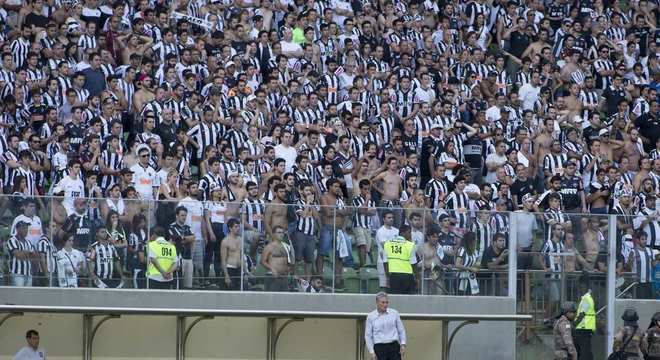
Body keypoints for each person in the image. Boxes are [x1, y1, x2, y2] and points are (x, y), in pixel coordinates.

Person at [365, 292, 407, 360]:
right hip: (379, 348)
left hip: (394, 347)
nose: (385, 304)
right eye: (383, 302)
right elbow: (368, 336)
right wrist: (372, 352)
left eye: (387, 302)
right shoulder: (371, 316)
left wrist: (403, 344)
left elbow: (401, 330)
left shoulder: (394, 313)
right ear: (377, 302)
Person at [383, 225, 417, 294]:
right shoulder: (410, 245)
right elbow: (413, 263)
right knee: (408, 299)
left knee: (395, 299)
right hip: (407, 276)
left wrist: (388, 277)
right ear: (402, 233)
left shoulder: (387, 244)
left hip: (394, 275)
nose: (410, 235)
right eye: (409, 232)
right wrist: (416, 277)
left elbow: (385, 262)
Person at [260, 225, 293, 292]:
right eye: (279, 232)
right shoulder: (269, 247)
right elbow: (262, 261)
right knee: (272, 299)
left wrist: (288, 269)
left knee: (284, 299)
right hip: (273, 276)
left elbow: (289, 261)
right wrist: (271, 269)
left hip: (284, 277)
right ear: (274, 234)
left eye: (282, 233)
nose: (281, 234)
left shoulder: (286, 246)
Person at [574, 272, 595, 360]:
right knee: (585, 351)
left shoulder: (586, 299)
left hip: (583, 329)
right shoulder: (587, 298)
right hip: (584, 329)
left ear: (585, 286)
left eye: (581, 287)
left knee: (584, 353)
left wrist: (573, 325)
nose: (580, 289)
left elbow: (582, 314)